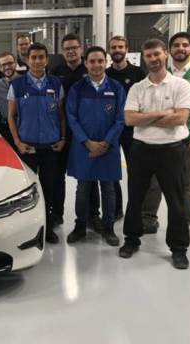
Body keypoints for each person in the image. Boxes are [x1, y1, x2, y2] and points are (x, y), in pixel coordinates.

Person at [119, 38, 190, 270]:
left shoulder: (181, 85)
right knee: (135, 198)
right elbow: (129, 119)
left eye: (156, 54)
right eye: (148, 55)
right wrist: (162, 113)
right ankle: (131, 239)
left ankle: (179, 248)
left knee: (176, 201)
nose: (153, 59)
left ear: (165, 54)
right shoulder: (137, 88)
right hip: (141, 149)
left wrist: (145, 117)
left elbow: (180, 118)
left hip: (172, 150)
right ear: (144, 58)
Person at [141, 32, 190, 233]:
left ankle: (183, 223)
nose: (180, 48)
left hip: (189, 141)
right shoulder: (158, 74)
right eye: (176, 45)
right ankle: (148, 219)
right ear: (169, 51)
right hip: (161, 140)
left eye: (184, 45)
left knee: (186, 185)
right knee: (154, 182)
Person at [66, 47, 126, 246]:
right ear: (86, 63)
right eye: (92, 61)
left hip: (108, 147)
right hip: (84, 147)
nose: (96, 65)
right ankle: (80, 226)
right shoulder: (77, 89)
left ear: (106, 62)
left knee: (108, 188)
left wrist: (106, 142)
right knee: (83, 188)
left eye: (100, 61)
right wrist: (87, 142)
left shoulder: (116, 88)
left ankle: (108, 228)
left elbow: (120, 119)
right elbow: (71, 118)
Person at [7, 43, 66, 244]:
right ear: (27, 60)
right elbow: (11, 116)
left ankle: (47, 227)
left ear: (47, 60)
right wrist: (17, 142)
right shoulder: (17, 85)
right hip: (27, 147)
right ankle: (27, 228)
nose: (37, 61)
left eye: (41, 57)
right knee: (27, 190)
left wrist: (63, 139)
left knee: (49, 189)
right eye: (33, 57)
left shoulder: (56, 84)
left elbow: (61, 115)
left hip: (50, 147)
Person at [51, 33, 100, 230]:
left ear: (81, 49)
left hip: (86, 132)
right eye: (67, 49)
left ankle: (93, 216)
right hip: (62, 131)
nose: (71, 51)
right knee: (57, 175)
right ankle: (57, 214)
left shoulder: (90, 70)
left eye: (74, 48)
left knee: (89, 176)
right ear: (62, 52)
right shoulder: (55, 72)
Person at [105, 35, 146, 221]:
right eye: (114, 47)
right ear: (110, 51)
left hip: (133, 132)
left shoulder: (138, 73)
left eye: (120, 47)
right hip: (112, 131)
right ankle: (116, 209)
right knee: (112, 173)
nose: (117, 50)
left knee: (136, 173)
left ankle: (136, 210)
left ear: (127, 49)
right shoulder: (106, 74)